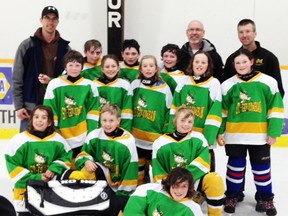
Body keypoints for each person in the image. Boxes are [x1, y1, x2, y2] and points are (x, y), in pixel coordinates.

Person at [217, 49, 284, 215]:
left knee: (262, 170)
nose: (241, 65)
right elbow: (222, 112)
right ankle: (232, 196)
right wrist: (220, 132)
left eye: (244, 62)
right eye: (237, 63)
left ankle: (266, 199)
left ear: (252, 62)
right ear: (233, 65)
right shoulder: (227, 85)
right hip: (234, 136)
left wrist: (274, 132)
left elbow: (275, 109)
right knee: (235, 169)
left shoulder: (268, 82)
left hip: (260, 137)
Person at [153, 106, 224, 216]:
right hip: (173, 187)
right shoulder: (160, 142)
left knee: (215, 180)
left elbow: (203, 164)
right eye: (183, 120)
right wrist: (172, 187)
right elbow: (158, 171)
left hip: (193, 185)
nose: (186, 124)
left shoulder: (199, 139)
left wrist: (185, 181)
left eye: (190, 121)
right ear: (175, 120)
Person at [70, 104, 138, 215]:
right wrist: (86, 161)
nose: (107, 124)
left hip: (118, 184)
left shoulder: (128, 140)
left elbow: (131, 168)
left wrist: (123, 194)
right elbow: (82, 155)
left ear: (118, 121)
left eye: (111, 120)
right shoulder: (94, 135)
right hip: (99, 178)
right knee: (83, 172)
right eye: (104, 120)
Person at [5, 105, 73, 215]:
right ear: (31, 120)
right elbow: (13, 168)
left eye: (44, 117)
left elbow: (66, 158)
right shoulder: (18, 141)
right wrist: (37, 177)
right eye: (36, 117)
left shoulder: (58, 140)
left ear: (50, 122)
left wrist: (54, 168)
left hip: (50, 193)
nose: (39, 120)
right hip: (24, 192)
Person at [12, 6, 70, 132]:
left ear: (58, 22)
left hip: (56, 107)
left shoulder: (65, 49)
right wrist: (18, 106)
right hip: (30, 108)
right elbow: (17, 78)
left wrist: (52, 81)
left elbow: (70, 79)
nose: (51, 22)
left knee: (53, 148)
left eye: (54, 19)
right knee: (26, 146)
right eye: (47, 18)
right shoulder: (27, 46)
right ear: (41, 20)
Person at [168, 51, 222, 172]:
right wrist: (171, 130)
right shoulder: (183, 81)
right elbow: (174, 107)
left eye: (203, 62)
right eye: (196, 61)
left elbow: (214, 114)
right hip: (183, 134)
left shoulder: (214, 83)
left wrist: (209, 137)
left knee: (204, 168)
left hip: (203, 137)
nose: (199, 65)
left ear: (208, 65)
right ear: (191, 64)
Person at [43, 50, 100, 160]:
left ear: (82, 67)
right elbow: (50, 110)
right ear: (65, 67)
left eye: (77, 65)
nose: (74, 68)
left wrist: (91, 134)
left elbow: (93, 112)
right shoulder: (54, 84)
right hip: (61, 135)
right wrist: (54, 132)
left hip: (83, 136)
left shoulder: (89, 85)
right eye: (70, 65)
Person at [131, 55, 172, 185]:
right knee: (139, 172)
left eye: (151, 65)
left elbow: (168, 112)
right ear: (140, 69)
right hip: (137, 139)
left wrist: (165, 133)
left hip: (155, 140)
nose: (148, 69)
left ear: (156, 68)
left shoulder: (164, 88)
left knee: (157, 171)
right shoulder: (135, 84)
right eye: (145, 66)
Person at [223, 19, 285, 97]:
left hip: (262, 107)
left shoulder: (269, 58)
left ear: (255, 33)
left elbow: (278, 91)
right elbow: (225, 90)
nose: (244, 35)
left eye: (248, 31)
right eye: (241, 32)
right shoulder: (231, 59)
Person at [123, 167, 204, 216]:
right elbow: (132, 211)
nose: (179, 191)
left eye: (184, 186)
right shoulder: (149, 191)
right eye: (176, 185)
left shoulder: (193, 209)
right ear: (169, 183)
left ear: (189, 187)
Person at [94, 54, 133, 131]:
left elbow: (127, 112)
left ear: (118, 68)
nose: (110, 69)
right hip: (99, 130)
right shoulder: (94, 85)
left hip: (118, 130)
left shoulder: (124, 85)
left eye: (113, 66)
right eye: (107, 67)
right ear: (102, 69)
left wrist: (124, 131)